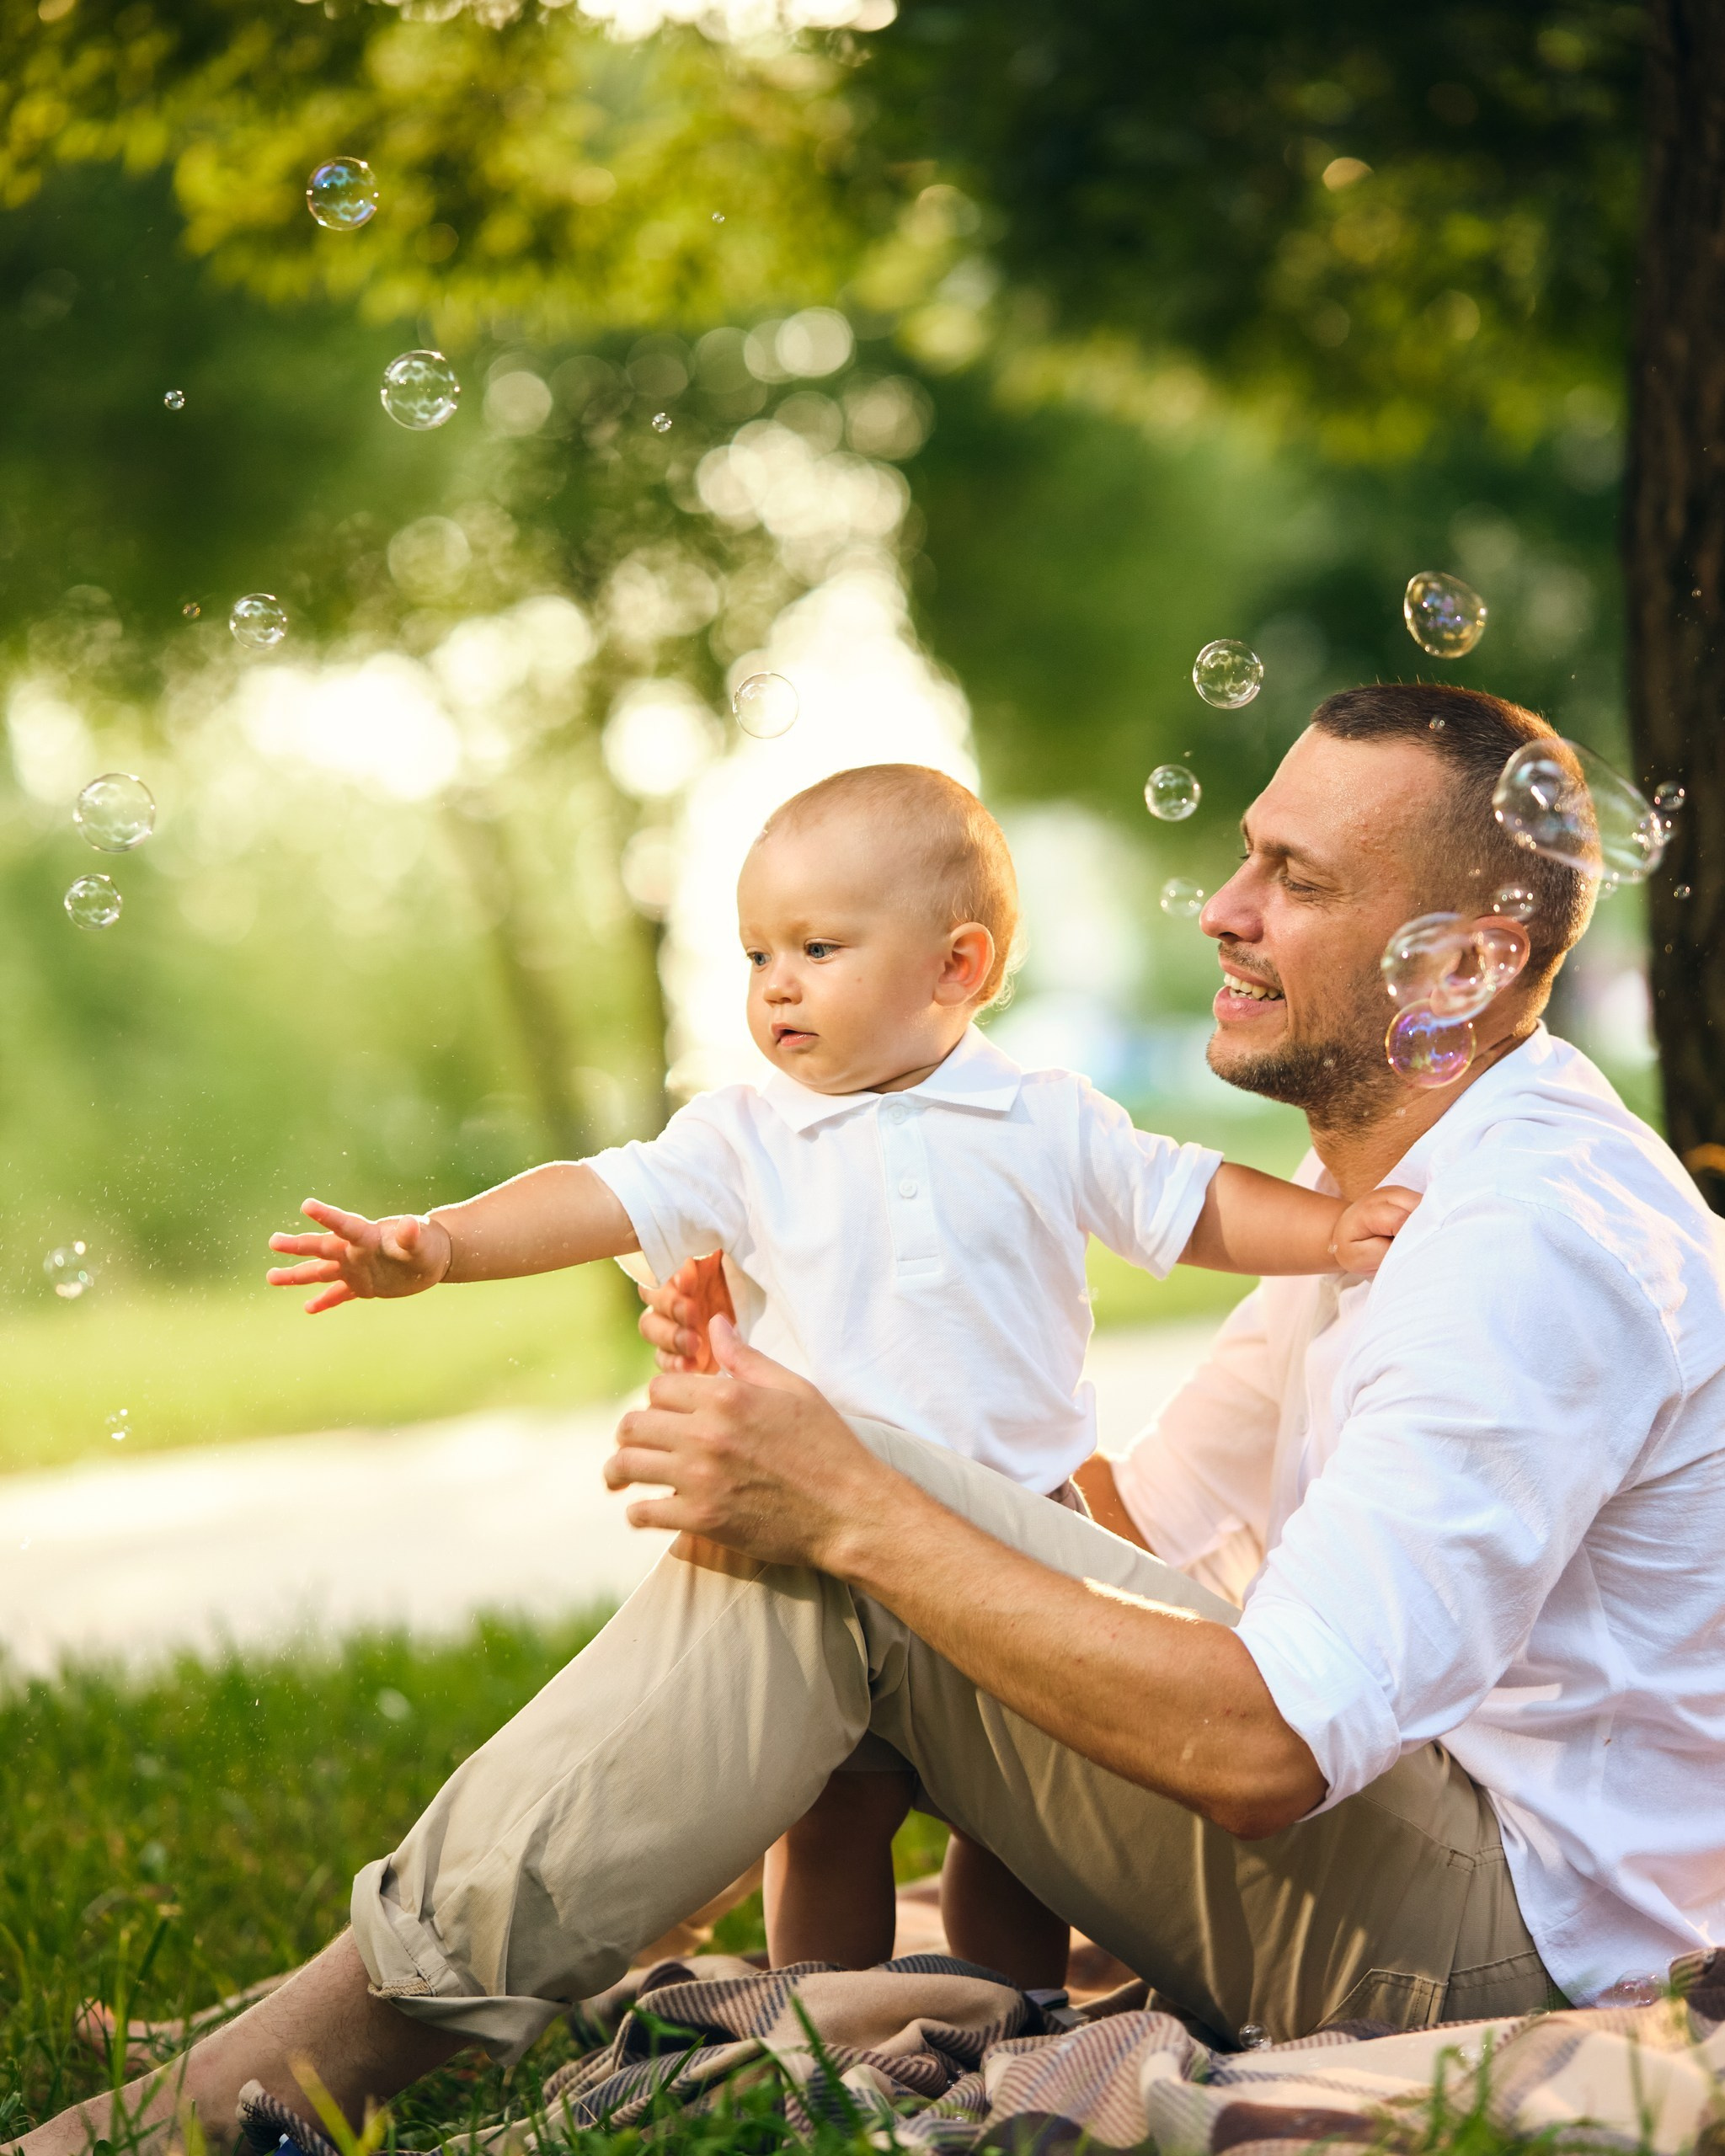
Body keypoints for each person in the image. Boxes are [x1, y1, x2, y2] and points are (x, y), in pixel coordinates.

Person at [21, 682, 1725, 2156]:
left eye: (1296, 878)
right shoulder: (1393, 1207)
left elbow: (1263, 1750)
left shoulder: (1520, 1242)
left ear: (1466, 961)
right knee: (854, 1493)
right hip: (1425, 1861)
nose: (1222, 908)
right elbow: (1105, 1533)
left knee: (852, 1508)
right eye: (1243, 855)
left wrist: (845, 1499)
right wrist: (828, 1470)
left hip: (1500, 1949)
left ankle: (238, 2091)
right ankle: (353, 2006)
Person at [262, 761, 1414, 1987]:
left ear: (956, 967)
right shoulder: (743, 1137)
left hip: (1021, 1541)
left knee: (1024, 1838)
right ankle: (824, 2014)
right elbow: (597, 1195)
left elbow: (1192, 1205)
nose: (777, 985)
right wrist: (444, 1245)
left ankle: (1015, 2005)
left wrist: (1330, 1231)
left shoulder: (1044, 1117)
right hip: (822, 1554)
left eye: (817, 949)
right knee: (827, 1822)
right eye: (757, 955)